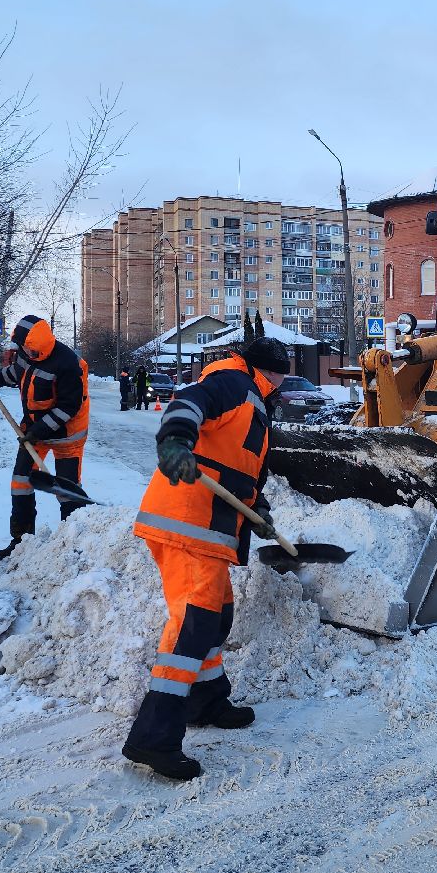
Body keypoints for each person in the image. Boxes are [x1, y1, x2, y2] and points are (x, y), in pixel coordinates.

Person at [121, 335, 291, 781]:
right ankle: (153, 738)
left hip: (210, 530)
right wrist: (176, 441)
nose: (285, 380)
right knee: (192, 626)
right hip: (186, 522)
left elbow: (239, 472)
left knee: (217, 617)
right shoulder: (234, 384)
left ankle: (206, 700)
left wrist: (259, 512)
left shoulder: (255, 406)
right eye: (283, 372)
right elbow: (188, 403)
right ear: (269, 370)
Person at [0, 315, 91, 560]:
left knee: (66, 489)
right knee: (21, 482)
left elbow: (68, 407)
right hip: (33, 431)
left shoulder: (68, 364)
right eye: (26, 351)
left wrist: (37, 432)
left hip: (66, 436)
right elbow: (18, 373)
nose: (28, 354)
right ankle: (21, 542)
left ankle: (74, 543)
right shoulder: (26, 354)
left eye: (32, 352)